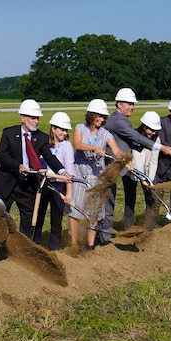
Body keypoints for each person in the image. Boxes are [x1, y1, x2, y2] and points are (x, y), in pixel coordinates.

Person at [0, 99, 69, 239]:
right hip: (7, 184)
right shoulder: (9, 133)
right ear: (23, 118)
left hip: (27, 187)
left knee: (27, 222)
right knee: (0, 219)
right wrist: (17, 166)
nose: (36, 121)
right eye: (33, 118)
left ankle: (23, 250)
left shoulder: (42, 138)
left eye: (37, 118)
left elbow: (49, 157)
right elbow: (2, 156)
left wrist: (62, 171)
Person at [70, 99, 121, 248]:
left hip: (96, 176)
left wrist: (126, 161)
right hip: (79, 174)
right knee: (76, 210)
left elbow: (117, 151)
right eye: (99, 116)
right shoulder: (80, 128)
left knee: (94, 212)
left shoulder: (105, 134)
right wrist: (93, 147)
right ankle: (74, 244)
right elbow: (78, 145)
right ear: (91, 115)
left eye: (104, 117)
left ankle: (90, 245)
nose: (102, 119)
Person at [106, 88, 150, 228]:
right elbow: (135, 137)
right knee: (109, 200)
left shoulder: (123, 119)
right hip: (113, 164)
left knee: (126, 197)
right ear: (119, 105)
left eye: (133, 104)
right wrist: (157, 146)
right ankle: (105, 232)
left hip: (126, 164)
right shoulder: (118, 121)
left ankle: (126, 227)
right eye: (129, 104)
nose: (132, 107)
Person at [34, 112, 75, 251]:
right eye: (62, 129)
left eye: (66, 130)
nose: (64, 133)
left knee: (56, 219)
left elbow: (69, 171)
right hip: (43, 184)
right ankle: (35, 243)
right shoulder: (43, 144)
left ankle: (54, 248)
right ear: (53, 128)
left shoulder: (66, 146)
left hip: (58, 185)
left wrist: (68, 193)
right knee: (38, 215)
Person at [132, 111, 165, 223]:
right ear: (144, 126)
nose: (153, 133)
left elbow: (154, 160)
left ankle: (148, 225)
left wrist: (150, 180)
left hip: (148, 171)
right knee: (130, 201)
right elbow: (137, 160)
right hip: (134, 171)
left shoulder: (157, 138)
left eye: (155, 130)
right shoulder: (135, 137)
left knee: (151, 199)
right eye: (151, 130)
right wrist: (142, 178)